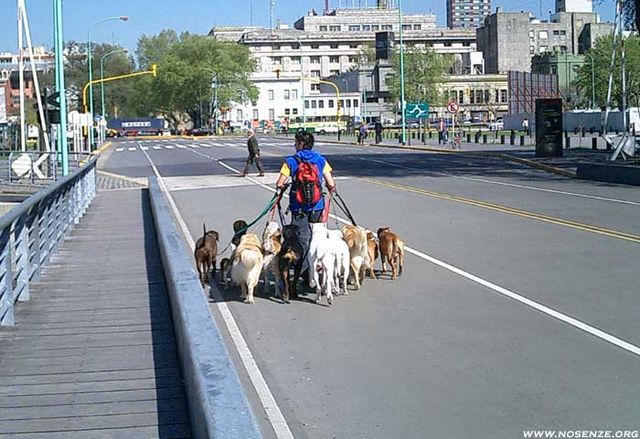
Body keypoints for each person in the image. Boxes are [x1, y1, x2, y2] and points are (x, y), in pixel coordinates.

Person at [276, 130, 336, 283]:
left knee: (302, 240)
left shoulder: (290, 161)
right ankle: (317, 272)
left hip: (298, 207)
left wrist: (285, 186)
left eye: (296, 142)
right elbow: (331, 183)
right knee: (317, 239)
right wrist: (329, 188)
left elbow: (279, 183)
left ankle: (303, 273)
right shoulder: (321, 160)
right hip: (317, 206)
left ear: (301, 144)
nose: (294, 145)